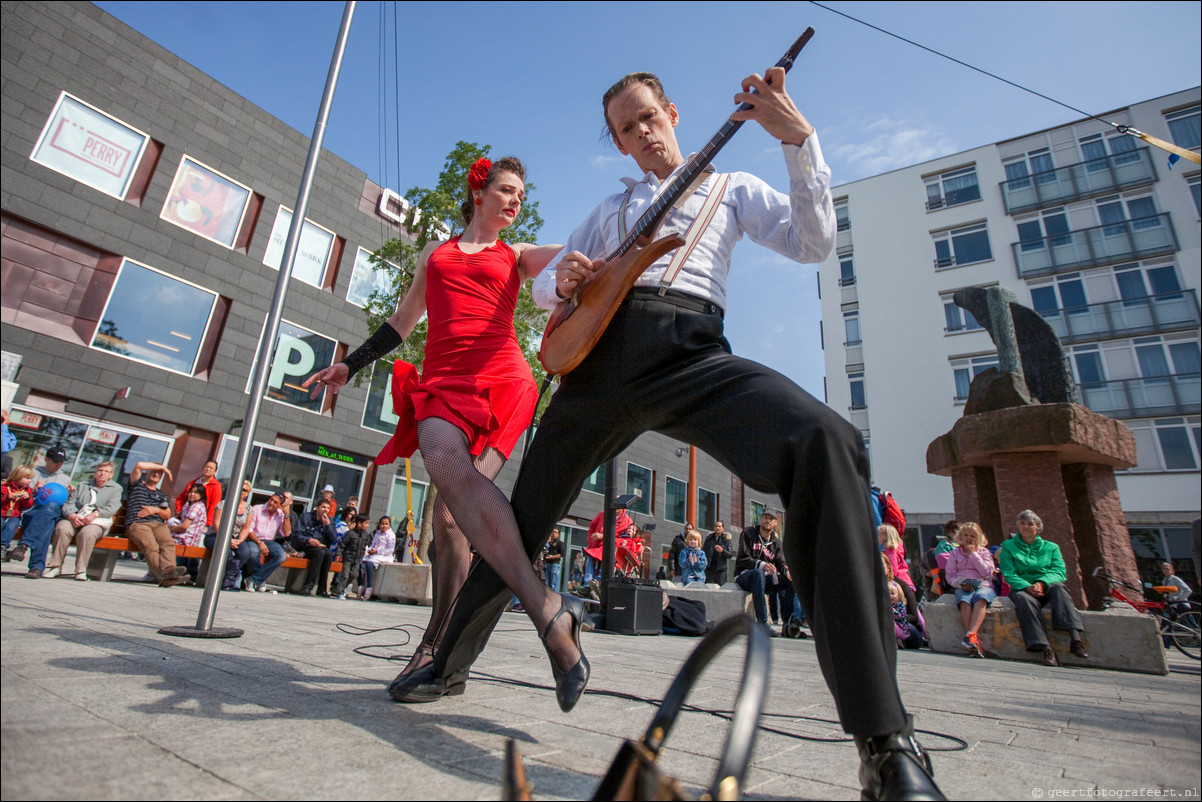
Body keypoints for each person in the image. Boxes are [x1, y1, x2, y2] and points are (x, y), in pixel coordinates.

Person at [385, 68, 945, 801]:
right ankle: (447, 661)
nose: (642, 131)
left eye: (649, 116)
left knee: (828, 441)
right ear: (617, 143)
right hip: (595, 370)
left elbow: (813, 243)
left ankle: (885, 743)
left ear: (673, 113)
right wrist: (571, 278)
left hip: (689, 352)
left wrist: (798, 142)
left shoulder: (731, 186)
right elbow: (552, 289)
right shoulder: (608, 209)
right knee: (518, 521)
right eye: (626, 126)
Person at [304, 157, 586, 707]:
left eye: (521, 196)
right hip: (443, 382)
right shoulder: (436, 255)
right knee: (441, 482)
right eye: (507, 190)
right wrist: (351, 364)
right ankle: (546, 613)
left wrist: (601, 261)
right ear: (478, 191)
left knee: (450, 519)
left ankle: (434, 651)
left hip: (503, 382)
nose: (516, 201)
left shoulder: (519, 255)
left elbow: (585, 251)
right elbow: (402, 322)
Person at [997, 509, 1088, 667]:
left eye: (1030, 524)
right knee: (1024, 601)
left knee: (1060, 589)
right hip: (1022, 588)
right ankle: (1046, 648)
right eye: (1022, 523)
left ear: (1037, 528)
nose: (1026, 527)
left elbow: (1059, 571)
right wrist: (1027, 586)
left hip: (1047, 585)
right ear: (1018, 527)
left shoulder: (1051, 547)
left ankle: (1075, 640)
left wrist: (1042, 583)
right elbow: (1009, 573)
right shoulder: (1008, 546)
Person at [44, 461, 123, 580]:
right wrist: (72, 516)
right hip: (77, 518)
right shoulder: (82, 485)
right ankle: (55, 566)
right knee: (62, 528)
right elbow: (68, 504)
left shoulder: (116, 489)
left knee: (87, 533)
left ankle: (80, 570)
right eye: (100, 470)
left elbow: (112, 508)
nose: (102, 473)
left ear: (111, 475)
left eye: (106, 471)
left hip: (97, 521)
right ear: (95, 472)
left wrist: (95, 514)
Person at [124, 461, 189, 587]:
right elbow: (138, 465)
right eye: (153, 471)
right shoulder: (136, 486)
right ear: (147, 473)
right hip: (138, 524)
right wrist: (163, 468)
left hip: (158, 524)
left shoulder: (162, 495)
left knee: (167, 543)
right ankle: (166, 577)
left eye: (159, 473)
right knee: (151, 546)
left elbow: (167, 515)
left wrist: (155, 510)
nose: (156, 474)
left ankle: (169, 571)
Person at [10, 446, 74, 572]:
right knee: (47, 525)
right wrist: (33, 491)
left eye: (61, 462)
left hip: (51, 512)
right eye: (55, 461)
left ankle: (24, 545)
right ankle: (37, 567)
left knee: (51, 507)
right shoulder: (32, 474)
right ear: (46, 459)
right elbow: (19, 496)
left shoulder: (65, 479)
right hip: (31, 512)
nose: (59, 465)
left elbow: (64, 503)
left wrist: (70, 495)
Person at [734, 510, 796, 635]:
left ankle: (788, 624)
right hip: (745, 576)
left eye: (771, 519)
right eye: (765, 517)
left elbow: (780, 562)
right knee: (758, 573)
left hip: (764, 580)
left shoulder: (777, 543)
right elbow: (743, 558)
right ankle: (762, 623)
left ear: (775, 523)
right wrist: (762, 565)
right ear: (761, 519)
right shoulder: (748, 533)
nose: (767, 520)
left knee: (791, 579)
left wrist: (786, 570)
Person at [944, 522, 996, 659]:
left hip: (983, 583)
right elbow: (950, 575)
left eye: (972, 536)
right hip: (963, 584)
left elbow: (987, 573)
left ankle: (970, 635)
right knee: (964, 601)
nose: (969, 538)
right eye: (966, 535)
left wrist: (973, 554)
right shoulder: (955, 553)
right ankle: (972, 640)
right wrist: (960, 585)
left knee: (981, 598)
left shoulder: (984, 552)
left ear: (978, 538)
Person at [237, 491, 288, 592]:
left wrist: (287, 515)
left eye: (275, 502)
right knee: (253, 552)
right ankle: (259, 580)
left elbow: (285, 533)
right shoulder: (257, 509)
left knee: (282, 556)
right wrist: (259, 542)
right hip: (253, 538)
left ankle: (254, 579)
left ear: (280, 506)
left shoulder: (281, 514)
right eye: (271, 500)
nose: (271, 503)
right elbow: (249, 530)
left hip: (269, 541)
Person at [206, 480, 252, 591]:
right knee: (226, 553)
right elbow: (216, 524)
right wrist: (227, 539)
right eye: (240, 488)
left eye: (244, 490)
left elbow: (246, 528)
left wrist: (240, 540)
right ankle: (227, 582)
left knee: (245, 552)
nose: (241, 491)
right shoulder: (223, 504)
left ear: (247, 493)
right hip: (217, 535)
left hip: (235, 538)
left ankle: (228, 581)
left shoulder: (248, 509)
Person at [290, 498, 337, 596]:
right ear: (317, 508)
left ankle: (322, 588)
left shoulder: (330, 521)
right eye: (323, 507)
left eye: (328, 508)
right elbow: (297, 535)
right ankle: (308, 586)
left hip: (321, 548)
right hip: (305, 547)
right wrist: (309, 540)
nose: (326, 510)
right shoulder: (305, 517)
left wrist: (328, 526)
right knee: (319, 553)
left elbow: (333, 539)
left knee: (328, 553)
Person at [332, 514, 371, 600]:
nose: (367, 525)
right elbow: (342, 545)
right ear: (359, 524)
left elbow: (366, 546)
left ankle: (341, 587)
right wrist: (338, 554)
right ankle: (340, 592)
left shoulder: (365, 534)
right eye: (366, 523)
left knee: (354, 575)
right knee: (345, 575)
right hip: (347, 558)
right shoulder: (350, 533)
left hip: (357, 560)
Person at [174, 459, 221, 528]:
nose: (208, 469)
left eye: (211, 468)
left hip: (201, 520)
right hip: (185, 516)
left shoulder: (216, 486)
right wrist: (178, 511)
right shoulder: (193, 483)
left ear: (215, 472)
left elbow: (214, 505)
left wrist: (208, 522)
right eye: (206, 467)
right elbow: (181, 498)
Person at [358, 516, 396, 602]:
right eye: (382, 524)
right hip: (374, 554)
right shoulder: (377, 533)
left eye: (386, 524)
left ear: (389, 525)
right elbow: (373, 544)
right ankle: (361, 584)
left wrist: (377, 551)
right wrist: (370, 550)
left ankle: (369, 586)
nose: (384, 526)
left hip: (383, 555)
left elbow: (390, 549)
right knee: (360, 563)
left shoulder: (391, 535)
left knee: (369, 564)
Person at [1, 465, 35, 560]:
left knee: (12, 526)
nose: (30, 481)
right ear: (18, 477)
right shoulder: (4, 487)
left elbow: (28, 505)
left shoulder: (27, 490)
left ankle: (3, 545)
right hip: (2, 513)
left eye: (30, 479)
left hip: (14, 515)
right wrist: (7, 497)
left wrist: (27, 498)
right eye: (27, 478)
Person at [879, 524, 914, 594]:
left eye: (878, 535)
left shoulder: (890, 552)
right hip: (906, 581)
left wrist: (889, 580)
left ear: (885, 536)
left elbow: (893, 569)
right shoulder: (897, 549)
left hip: (899, 582)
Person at [702, 520, 733, 585]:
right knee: (708, 588)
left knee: (720, 589)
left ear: (723, 528)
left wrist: (722, 551)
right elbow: (704, 551)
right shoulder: (709, 538)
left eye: (719, 526)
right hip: (710, 568)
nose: (717, 528)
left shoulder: (726, 539)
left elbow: (730, 554)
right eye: (716, 526)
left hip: (720, 570)